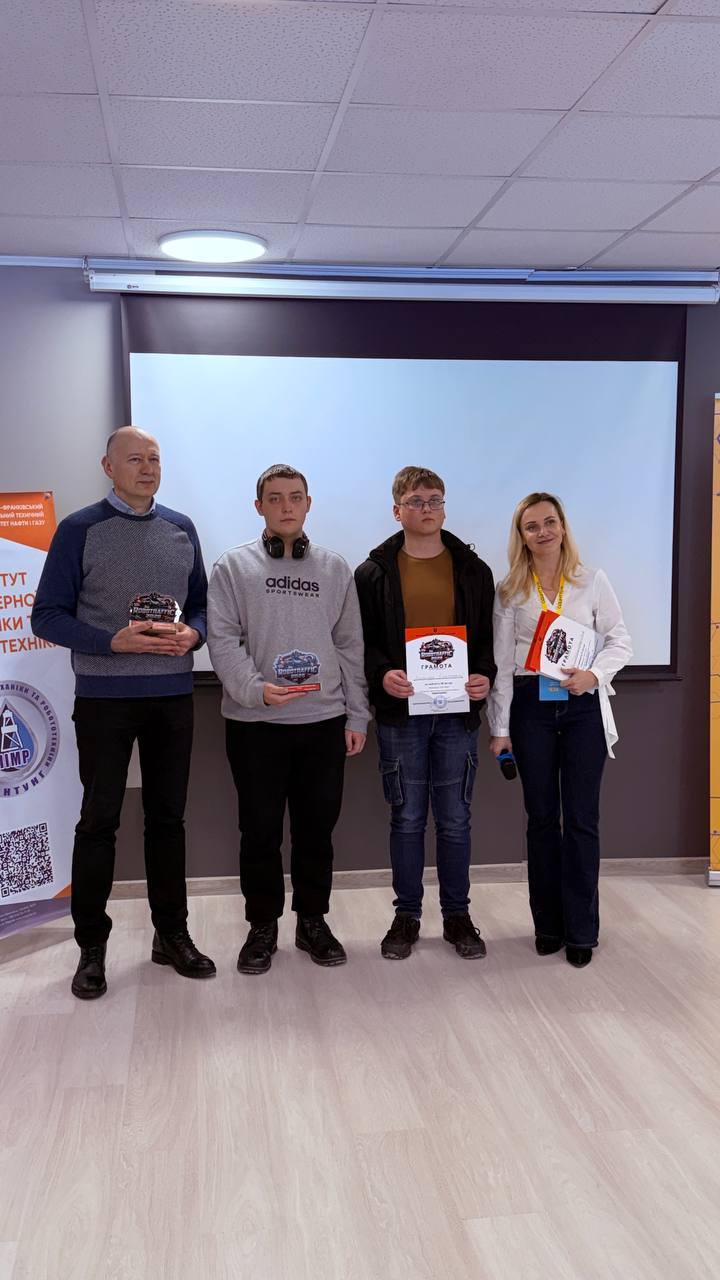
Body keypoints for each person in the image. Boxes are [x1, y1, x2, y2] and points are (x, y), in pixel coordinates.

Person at [31, 426, 216, 999]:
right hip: (105, 699)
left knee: (168, 820)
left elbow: (203, 606)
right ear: (108, 466)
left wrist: (195, 633)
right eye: (135, 459)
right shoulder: (79, 529)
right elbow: (46, 616)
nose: (147, 467)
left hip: (172, 696)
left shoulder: (181, 527)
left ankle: (171, 935)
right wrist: (111, 642)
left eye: (154, 458)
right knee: (99, 822)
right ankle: (91, 947)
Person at [207, 464, 369, 974]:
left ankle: (312, 922)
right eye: (274, 498)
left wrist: (357, 715)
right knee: (258, 832)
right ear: (259, 507)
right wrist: (256, 690)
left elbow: (350, 646)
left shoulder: (335, 568)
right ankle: (262, 926)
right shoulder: (233, 567)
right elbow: (222, 640)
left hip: (323, 722)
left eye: (295, 497)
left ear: (308, 503)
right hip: (255, 725)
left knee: (316, 831)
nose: (286, 506)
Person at [355, 466, 496, 961]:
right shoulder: (373, 572)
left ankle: (457, 915)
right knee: (408, 819)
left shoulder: (473, 570)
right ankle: (407, 915)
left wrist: (484, 676)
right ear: (397, 510)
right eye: (416, 501)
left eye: (435, 500)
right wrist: (382, 675)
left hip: (458, 715)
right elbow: (363, 642)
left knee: (455, 820)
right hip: (401, 716)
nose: (427, 509)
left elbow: (487, 641)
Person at [487, 492, 632, 968]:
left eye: (550, 522)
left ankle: (582, 931)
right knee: (543, 820)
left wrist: (595, 675)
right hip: (531, 707)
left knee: (583, 821)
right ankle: (548, 925)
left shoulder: (591, 580)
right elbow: (501, 665)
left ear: (563, 526)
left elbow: (620, 641)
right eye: (532, 526)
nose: (543, 531)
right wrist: (500, 727)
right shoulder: (510, 590)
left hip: (582, 706)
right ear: (522, 536)